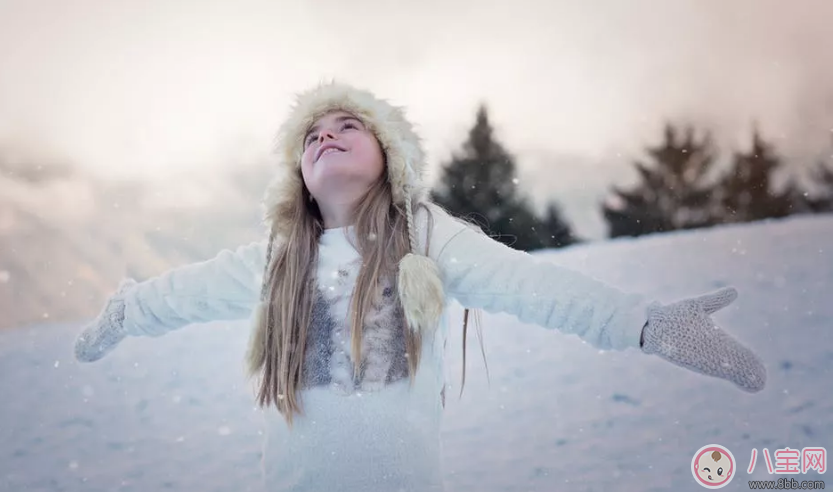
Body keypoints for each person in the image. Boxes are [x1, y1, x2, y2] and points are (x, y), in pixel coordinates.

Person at [73, 82, 767, 491]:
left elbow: (530, 285)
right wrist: (127, 309)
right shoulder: (276, 262)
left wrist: (643, 323)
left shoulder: (427, 237)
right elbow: (183, 293)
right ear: (297, 174)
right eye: (312, 134)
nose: (326, 135)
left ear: (389, 158)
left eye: (348, 126)